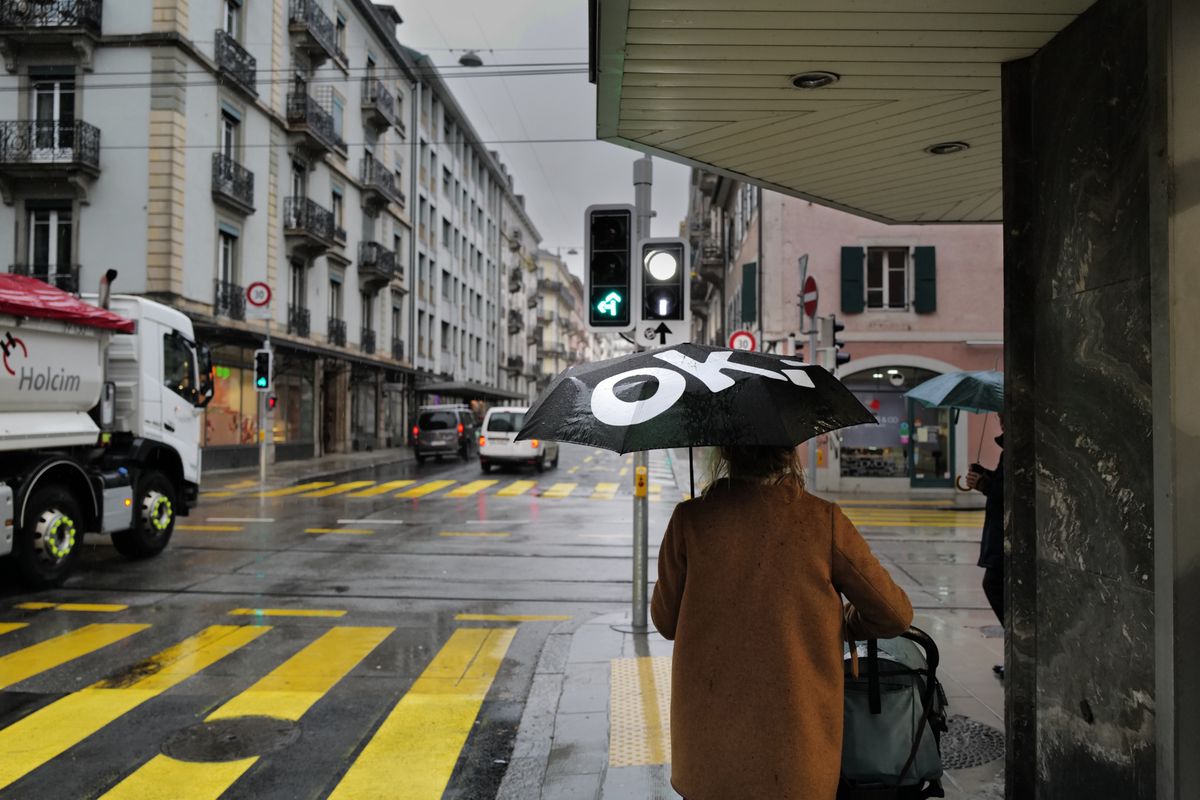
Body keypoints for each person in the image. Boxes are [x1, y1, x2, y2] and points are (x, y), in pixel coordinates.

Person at [650, 445, 914, 800]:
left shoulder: (690, 519)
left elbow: (666, 622)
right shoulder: (823, 520)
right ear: (789, 451)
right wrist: (844, 622)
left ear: (725, 451)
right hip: (797, 762)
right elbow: (894, 614)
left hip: (709, 761)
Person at [966, 431, 1004, 678]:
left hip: (1005, 536)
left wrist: (984, 483)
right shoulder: (1008, 447)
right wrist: (986, 475)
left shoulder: (1015, 445)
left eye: (1002, 415)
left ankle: (1019, 650)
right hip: (1000, 535)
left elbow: (1011, 490)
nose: (1000, 420)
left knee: (995, 585)